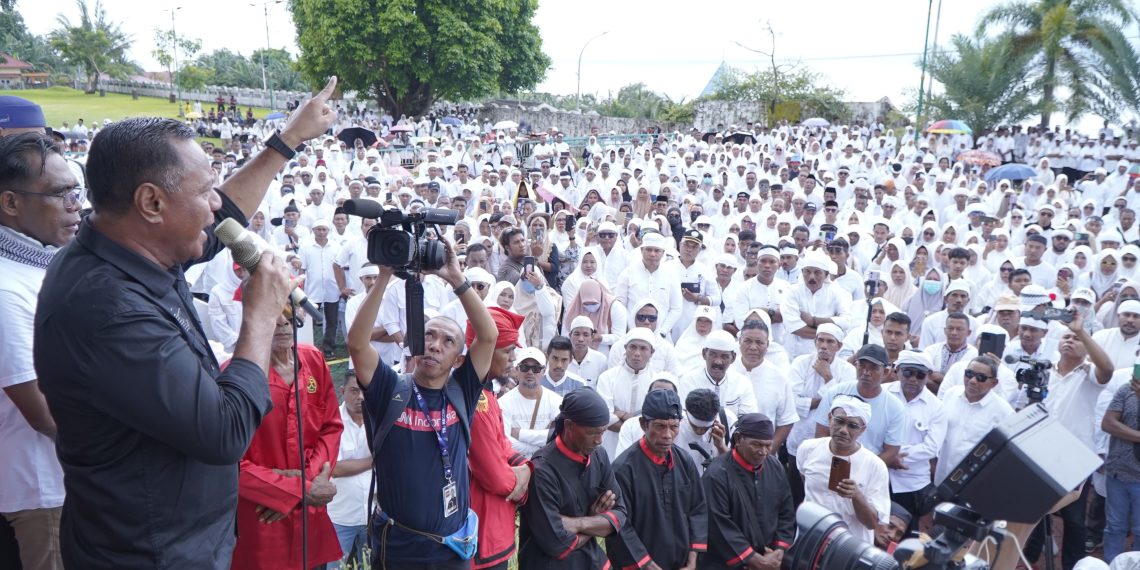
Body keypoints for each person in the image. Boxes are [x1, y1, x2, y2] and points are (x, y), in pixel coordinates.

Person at [34, 79, 337, 569]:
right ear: (151, 203)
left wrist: (288, 140)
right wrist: (260, 316)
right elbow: (224, 431)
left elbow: (228, 211)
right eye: (203, 192)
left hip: (179, 543)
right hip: (151, 554)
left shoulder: (134, 247)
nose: (215, 205)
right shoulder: (108, 309)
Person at [346, 232, 500, 569]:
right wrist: (385, 277)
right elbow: (357, 344)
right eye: (429, 335)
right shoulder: (390, 387)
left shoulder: (462, 390)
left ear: (459, 359)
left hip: (452, 547)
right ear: (417, 342)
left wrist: (457, 278)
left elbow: (489, 336)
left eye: (448, 341)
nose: (435, 345)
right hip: (398, 545)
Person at [0, 132, 74, 570]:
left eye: (76, 191)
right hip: (46, 492)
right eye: (60, 195)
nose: (76, 206)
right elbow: (42, 412)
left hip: (71, 479)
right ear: (10, 203)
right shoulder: (6, 288)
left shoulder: (42, 264)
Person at [230, 307, 344, 570]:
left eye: (289, 320)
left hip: (309, 522)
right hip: (262, 522)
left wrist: (301, 488)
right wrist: (294, 492)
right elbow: (230, 461)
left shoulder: (313, 360)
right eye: (274, 319)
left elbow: (331, 427)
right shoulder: (234, 375)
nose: (283, 327)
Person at [518, 388, 628, 569]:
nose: (599, 440)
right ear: (569, 426)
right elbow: (557, 545)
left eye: (603, 432)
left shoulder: (598, 455)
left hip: (591, 561)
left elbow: (620, 514)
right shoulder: (542, 470)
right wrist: (596, 521)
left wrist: (580, 522)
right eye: (593, 433)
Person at [607, 389, 708, 570]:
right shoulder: (623, 470)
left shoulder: (685, 462)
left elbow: (698, 509)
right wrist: (648, 565)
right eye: (660, 426)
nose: (668, 434)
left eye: (674, 426)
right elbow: (621, 526)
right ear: (643, 424)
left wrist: (692, 562)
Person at [465, 306, 532, 570]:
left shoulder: (486, 391)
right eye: (508, 351)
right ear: (485, 350)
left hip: (491, 523)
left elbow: (501, 441)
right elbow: (492, 474)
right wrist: (523, 484)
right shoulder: (476, 400)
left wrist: (524, 466)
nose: (514, 358)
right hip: (482, 526)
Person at [701, 413, 796, 569]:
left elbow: (786, 511)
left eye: (768, 445)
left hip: (770, 559)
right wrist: (753, 559)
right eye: (757, 444)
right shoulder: (716, 475)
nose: (763, 452)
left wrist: (778, 551)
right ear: (738, 439)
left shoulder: (775, 466)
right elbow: (718, 524)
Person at [797, 396, 891, 544]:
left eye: (852, 426)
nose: (843, 430)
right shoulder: (808, 449)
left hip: (849, 548)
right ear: (829, 418)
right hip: (810, 540)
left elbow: (872, 523)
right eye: (839, 421)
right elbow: (805, 482)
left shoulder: (875, 466)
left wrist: (856, 496)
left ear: (862, 430)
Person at [884, 351, 947, 526]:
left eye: (920, 375)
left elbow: (931, 447)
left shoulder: (936, 407)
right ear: (897, 371)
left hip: (911, 483)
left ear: (928, 376)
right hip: (878, 475)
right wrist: (887, 458)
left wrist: (892, 455)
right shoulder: (881, 394)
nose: (913, 379)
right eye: (908, 372)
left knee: (903, 536)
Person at [935, 355, 1015, 485]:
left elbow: (1005, 455)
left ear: (994, 383)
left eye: (981, 378)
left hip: (974, 483)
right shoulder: (951, 394)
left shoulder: (1004, 411)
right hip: (941, 476)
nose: (972, 381)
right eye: (969, 374)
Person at [327, 375, 373, 570]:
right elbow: (334, 468)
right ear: (342, 391)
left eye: (364, 391)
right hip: (340, 516)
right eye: (354, 390)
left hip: (372, 515)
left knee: (370, 566)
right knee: (334, 567)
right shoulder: (331, 423)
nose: (361, 396)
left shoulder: (378, 420)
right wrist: (374, 460)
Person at [1100, 367, 1140, 563]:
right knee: (1114, 527)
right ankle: (1110, 564)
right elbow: (1108, 423)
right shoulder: (1126, 390)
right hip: (1118, 472)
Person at [500, 346, 564, 459]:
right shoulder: (503, 403)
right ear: (517, 369)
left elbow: (560, 436)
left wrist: (519, 434)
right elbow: (505, 441)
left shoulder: (557, 401)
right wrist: (541, 446)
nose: (530, 372)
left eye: (536, 368)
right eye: (525, 367)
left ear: (544, 371)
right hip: (515, 467)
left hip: (546, 467)